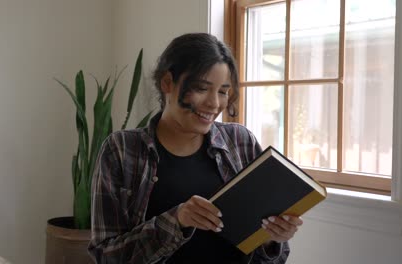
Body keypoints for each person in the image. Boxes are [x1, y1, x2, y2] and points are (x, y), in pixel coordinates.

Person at [88, 33, 303, 264]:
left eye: (222, 91)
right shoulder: (121, 150)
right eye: (202, 88)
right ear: (167, 83)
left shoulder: (241, 142)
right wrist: (177, 220)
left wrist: (271, 239)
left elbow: (273, 258)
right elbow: (106, 256)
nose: (214, 103)